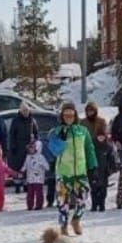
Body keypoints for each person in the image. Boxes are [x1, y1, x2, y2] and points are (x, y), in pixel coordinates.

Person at [50, 101, 97, 235]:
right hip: (64, 172)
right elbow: (54, 150)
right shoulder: (57, 131)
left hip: (80, 171)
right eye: (66, 115)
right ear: (62, 116)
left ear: (75, 115)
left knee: (83, 198)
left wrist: (93, 166)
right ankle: (64, 225)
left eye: (71, 115)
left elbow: (89, 149)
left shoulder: (82, 131)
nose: (69, 117)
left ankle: (76, 219)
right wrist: (61, 139)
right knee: (62, 201)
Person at [8, 103, 38, 190]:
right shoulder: (16, 121)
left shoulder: (32, 121)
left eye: (27, 110)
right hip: (18, 147)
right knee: (18, 166)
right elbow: (12, 134)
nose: (26, 112)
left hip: (29, 147)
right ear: (21, 111)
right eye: (24, 111)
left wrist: (35, 143)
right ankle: (17, 184)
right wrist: (13, 146)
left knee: (28, 166)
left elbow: (36, 134)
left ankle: (26, 184)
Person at [90, 132, 116, 212]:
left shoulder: (108, 147)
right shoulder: (92, 147)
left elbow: (111, 159)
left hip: (104, 171)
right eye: (99, 136)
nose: (101, 138)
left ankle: (102, 204)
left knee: (103, 189)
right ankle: (94, 204)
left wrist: (111, 169)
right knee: (94, 189)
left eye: (102, 136)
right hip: (93, 171)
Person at [21, 138, 49, 211]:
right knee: (30, 193)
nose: (30, 150)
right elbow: (25, 165)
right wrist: (22, 170)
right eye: (30, 148)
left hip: (39, 179)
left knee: (39, 192)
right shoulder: (28, 157)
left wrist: (42, 165)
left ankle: (39, 205)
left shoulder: (41, 157)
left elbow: (47, 166)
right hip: (30, 178)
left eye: (32, 148)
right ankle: (30, 205)